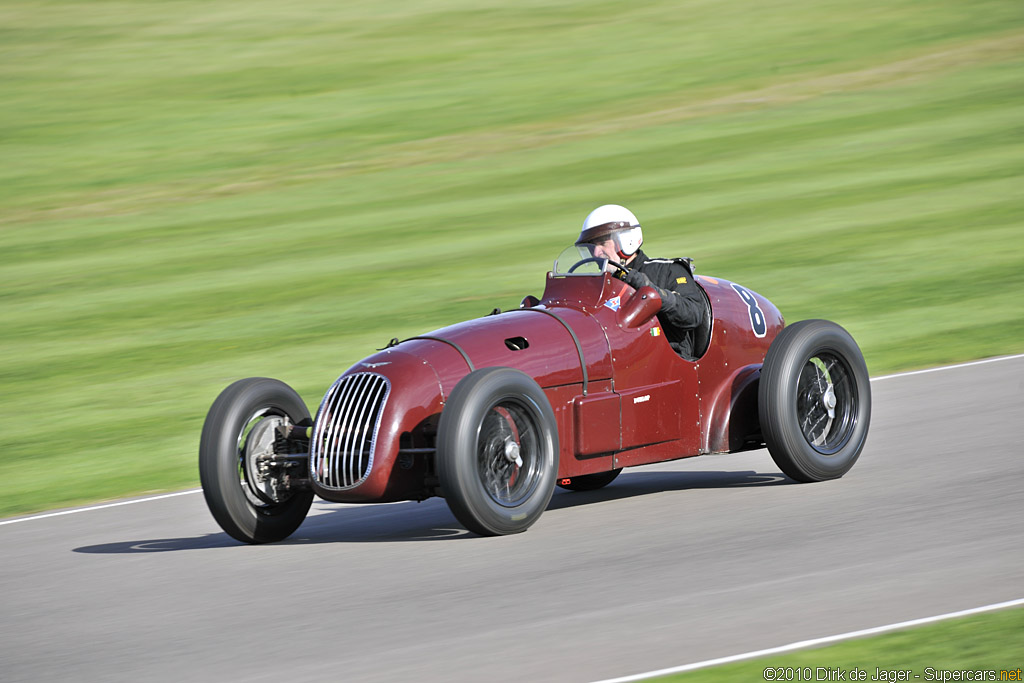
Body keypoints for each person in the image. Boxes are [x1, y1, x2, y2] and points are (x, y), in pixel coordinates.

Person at [576, 204, 708, 360]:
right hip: (612, 360)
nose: (596, 253)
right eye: (591, 247)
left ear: (626, 240)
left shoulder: (667, 270)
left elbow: (693, 314)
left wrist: (649, 290)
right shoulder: (596, 283)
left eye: (603, 243)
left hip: (663, 365)